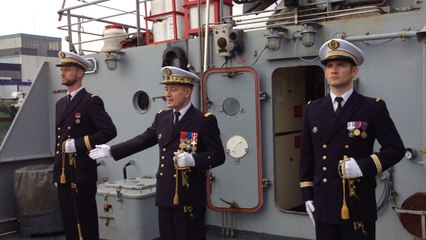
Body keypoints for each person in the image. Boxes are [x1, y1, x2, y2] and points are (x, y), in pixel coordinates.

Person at [89, 66, 226, 240]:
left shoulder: (203, 120)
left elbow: (218, 155)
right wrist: (111, 150)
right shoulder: (162, 117)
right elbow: (142, 140)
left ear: (187, 92)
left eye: (173, 90)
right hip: (165, 192)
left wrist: (193, 159)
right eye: (166, 89)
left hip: (189, 195)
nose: (167, 94)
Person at [299, 39, 405, 240]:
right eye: (329, 66)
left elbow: (395, 149)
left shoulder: (372, 108)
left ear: (354, 72)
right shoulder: (312, 109)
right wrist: (307, 197)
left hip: (356, 202)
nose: (334, 70)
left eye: (341, 65)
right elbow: (307, 156)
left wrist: (363, 166)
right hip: (323, 203)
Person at [54, 51, 117, 240]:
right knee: (69, 224)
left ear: (80, 73)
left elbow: (109, 131)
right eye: (62, 69)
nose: (62, 73)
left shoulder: (90, 101)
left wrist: (79, 145)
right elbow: (59, 138)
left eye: (67, 69)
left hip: (81, 173)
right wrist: (57, 171)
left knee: (86, 224)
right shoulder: (60, 103)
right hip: (64, 172)